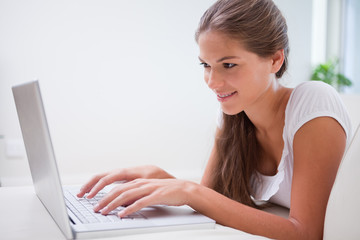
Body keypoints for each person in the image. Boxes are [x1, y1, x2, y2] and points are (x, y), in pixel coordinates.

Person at [77, 0, 352, 239]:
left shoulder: (314, 103)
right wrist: (162, 179)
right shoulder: (237, 117)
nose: (211, 81)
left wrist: (188, 189)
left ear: (275, 60)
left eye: (228, 65)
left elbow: (306, 233)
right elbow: (209, 201)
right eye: (206, 65)